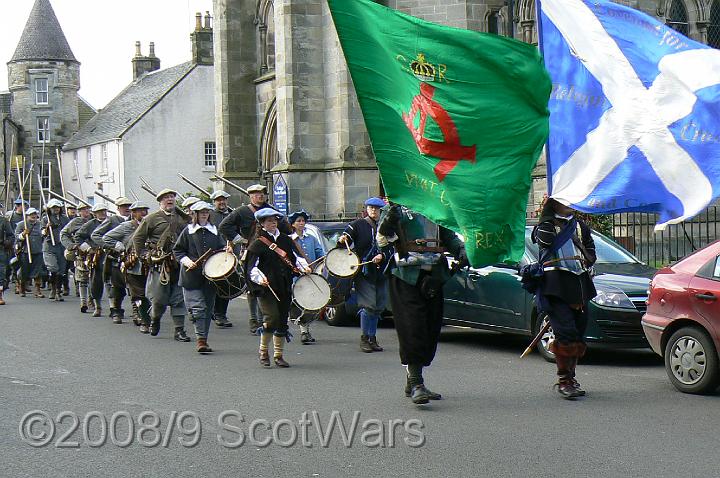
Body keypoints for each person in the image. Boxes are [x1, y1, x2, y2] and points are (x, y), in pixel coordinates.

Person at [376, 203, 468, 405]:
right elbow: (382, 241)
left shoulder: (436, 206)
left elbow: (448, 236)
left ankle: (413, 380)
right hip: (406, 276)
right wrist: (390, 218)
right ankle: (417, 382)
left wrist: (461, 249)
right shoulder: (395, 208)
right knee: (413, 327)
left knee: (430, 328)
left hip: (434, 276)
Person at [533, 198, 596, 399]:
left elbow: (591, 250)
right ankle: (564, 380)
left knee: (578, 331)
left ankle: (572, 377)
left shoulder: (579, 226)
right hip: (556, 284)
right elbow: (545, 242)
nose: (568, 204)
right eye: (563, 200)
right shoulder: (546, 225)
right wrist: (548, 220)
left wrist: (587, 257)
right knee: (565, 332)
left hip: (579, 284)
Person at [219, 183, 293, 334]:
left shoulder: (272, 211)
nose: (259, 196)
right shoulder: (241, 212)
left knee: (271, 285)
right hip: (251, 251)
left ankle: (266, 318)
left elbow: (286, 229)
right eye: (256, 194)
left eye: (262, 193)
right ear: (250, 196)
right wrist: (242, 240)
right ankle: (255, 320)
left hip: (272, 253)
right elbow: (224, 226)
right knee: (252, 287)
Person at [245, 208, 310, 367]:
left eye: (274, 220)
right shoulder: (258, 244)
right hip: (267, 288)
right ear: (262, 224)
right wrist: (260, 279)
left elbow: (295, 259)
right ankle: (263, 351)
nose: (272, 223)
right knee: (271, 318)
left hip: (284, 285)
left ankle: (278, 355)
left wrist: (305, 267)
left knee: (282, 320)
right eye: (268, 221)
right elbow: (251, 267)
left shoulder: (286, 240)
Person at [132, 189, 192, 342]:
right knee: (158, 299)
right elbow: (138, 239)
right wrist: (145, 255)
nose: (169, 200)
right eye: (166, 198)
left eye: (172, 197)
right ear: (160, 201)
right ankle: (154, 320)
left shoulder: (183, 219)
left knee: (179, 298)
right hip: (160, 263)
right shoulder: (151, 219)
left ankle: (179, 330)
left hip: (178, 263)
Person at [337, 197, 390, 353]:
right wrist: (342, 240)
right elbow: (344, 241)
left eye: (376, 208)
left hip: (382, 271)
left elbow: (393, 247)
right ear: (366, 209)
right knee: (368, 306)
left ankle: (373, 338)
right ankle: (364, 338)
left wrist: (383, 256)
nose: (373, 211)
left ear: (382, 210)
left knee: (379, 306)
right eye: (370, 208)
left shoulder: (387, 226)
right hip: (364, 271)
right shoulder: (357, 225)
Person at [174, 201, 226, 353]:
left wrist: (225, 251)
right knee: (198, 309)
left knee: (208, 309)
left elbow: (221, 249)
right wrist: (187, 262)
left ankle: (203, 339)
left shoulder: (215, 231)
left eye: (206, 211)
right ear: (194, 214)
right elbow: (178, 251)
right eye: (201, 211)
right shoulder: (188, 231)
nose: (204, 214)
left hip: (210, 277)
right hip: (191, 276)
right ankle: (201, 341)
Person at [103, 201, 151, 331]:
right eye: (140, 210)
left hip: (150, 264)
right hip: (133, 264)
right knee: (137, 293)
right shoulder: (126, 226)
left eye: (145, 210)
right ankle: (140, 316)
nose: (144, 213)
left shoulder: (151, 225)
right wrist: (119, 246)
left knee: (149, 293)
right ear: (134, 213)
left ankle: (144, 315)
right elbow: (106, 238)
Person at [91, 197, 132, 323]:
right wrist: (112, 245)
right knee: (117, 287)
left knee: (136, 287)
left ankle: (137, 313)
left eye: (128, 206)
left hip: (133, 258)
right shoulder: (112, 220)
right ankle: (116, 311)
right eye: (123, 206)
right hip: (116, 258)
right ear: (118, 208)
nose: (126, 208)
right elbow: (96, 235)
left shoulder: (135, 221)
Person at [288, 209, 325, 344]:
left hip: (312, 275)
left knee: (312, 303)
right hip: (296, 277)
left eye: (303, 221)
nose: (301, 223)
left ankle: (305, 329)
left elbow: (320, 254)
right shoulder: (289, 241)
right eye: (298, 221)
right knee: (301, 303)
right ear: (293, 224)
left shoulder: (312, 239)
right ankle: (303, 330)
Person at [75, 204, 109, 317]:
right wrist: (88, 248)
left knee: (113, 282)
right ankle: (97, 306)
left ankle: (115, 308)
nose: (103, 213)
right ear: (94, 214)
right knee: (96, 282)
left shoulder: (112, 222)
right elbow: (78, 237)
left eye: (104, 211)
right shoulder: (90, 224)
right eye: (100, 211)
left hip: (111, 253)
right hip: (97, 256)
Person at [60, 203, 92, 312]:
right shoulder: (75, 222)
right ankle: (84, 301)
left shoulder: (95, 221)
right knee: (82, 277)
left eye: (87, 209)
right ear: (79, 212)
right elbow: (63, 234)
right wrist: (71, 245)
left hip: (95, 251)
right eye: (83, 209)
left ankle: (92, 298)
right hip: (81, 252)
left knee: (95, 277)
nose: (86, 211)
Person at [209, 190, 233, 328]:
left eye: (223, 199)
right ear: (214, 202)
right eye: (218, 200)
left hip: (230, 254)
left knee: (227, 285)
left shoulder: (232, 215)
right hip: (214, 253)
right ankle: (213, 310)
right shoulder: (210, 216)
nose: (222, 202)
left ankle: (220, 314)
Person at [41, 199, 70, 301]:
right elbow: (43, 233)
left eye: (57, 207)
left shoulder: (65, 219)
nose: (56, 209)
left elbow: (69, 231)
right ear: (50, 209)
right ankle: (53, 288)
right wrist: (48, 229)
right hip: (50, 246)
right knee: (53, 267)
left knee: (61, 270)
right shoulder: (46, 219)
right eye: (53, 207)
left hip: (62, 246)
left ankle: (58, 290)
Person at [14, 208, 45, 298]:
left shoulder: (40, 224)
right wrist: (23, 234)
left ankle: (37, 290)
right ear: (27, 215)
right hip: (25, 251)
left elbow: (43, 235)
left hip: (38, 250)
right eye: (31, 214)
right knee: (24, 271)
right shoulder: (21, 224)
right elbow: (17, 236)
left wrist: (45, 231)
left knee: (38, 271)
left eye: (35, 214)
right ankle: (22, 288)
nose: (33, 216)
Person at [0, 204, 14, 305]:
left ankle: (0, 295)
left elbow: (11, 236)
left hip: (0, 249)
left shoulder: (4, 221)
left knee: (1, 272)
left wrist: (7, 243)